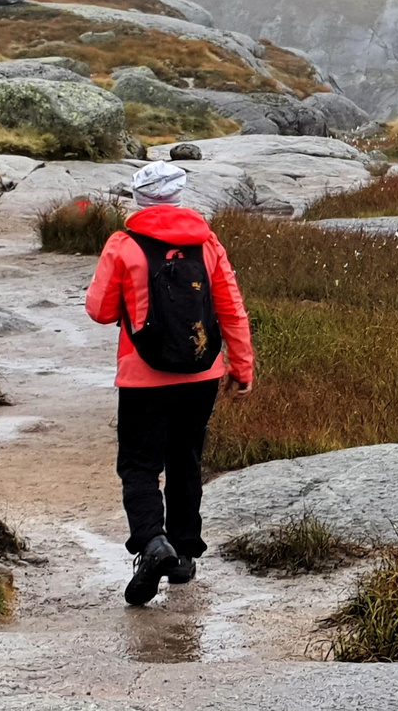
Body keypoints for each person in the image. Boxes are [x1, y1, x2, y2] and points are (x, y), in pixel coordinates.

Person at [85, 162, 254, 606]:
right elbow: (232, 309)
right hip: (202, 373)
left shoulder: (124, 244)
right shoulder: (208, 242)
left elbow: (100, 311)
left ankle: (151, 543)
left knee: (140, 467)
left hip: (142, 375)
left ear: (139, 198)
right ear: (179, 197)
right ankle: (182, 556)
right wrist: (242, 367)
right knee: (185, 460)